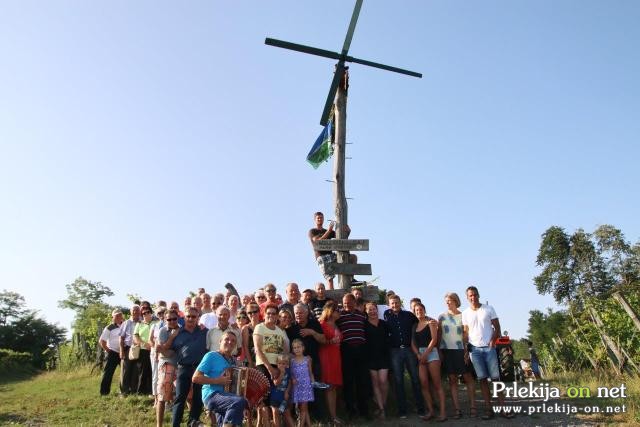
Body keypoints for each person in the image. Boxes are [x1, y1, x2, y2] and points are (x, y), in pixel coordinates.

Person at [462, 286, 513, 420]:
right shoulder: (465, 313)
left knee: (496, 379)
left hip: (489, 348)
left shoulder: (488, 309)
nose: (473, 297)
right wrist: (466, 350)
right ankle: (488, 410)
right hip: (475, 350)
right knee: (482, 380)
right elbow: (466, 333)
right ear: (467, 298)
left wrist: (493, 340)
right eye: (470, 296)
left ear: (478, 295)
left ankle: (503, 409)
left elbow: (497, 327)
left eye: (474, 295)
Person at [162, 306, 209, 427]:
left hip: (200, 368)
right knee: (180, 398)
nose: (191, 319)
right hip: (183, 368)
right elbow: (168, 349)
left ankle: (192, 422)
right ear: (184, 317)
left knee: (198, 397)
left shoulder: (205, 331)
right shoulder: (178, 332)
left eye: (194, 316)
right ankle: (175, 424)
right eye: (188, 316)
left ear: (198, 317)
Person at [192, 331, 247, 427]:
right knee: (239, 401)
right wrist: (217, 381)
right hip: (212, 394)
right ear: (220, 341)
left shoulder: (234, 361)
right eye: (227, 339)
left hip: (228, 397)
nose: (230, 342)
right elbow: (195, 378)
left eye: (233, 341)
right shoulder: (211, 356)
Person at [384, 294, 425, 419]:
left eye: (396, 302)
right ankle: (402, 410)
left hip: (409, 350)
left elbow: (420, 322)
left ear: (400, 303)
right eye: (392, 303)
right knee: (398, 381)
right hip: (395, 351)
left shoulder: (408, 315)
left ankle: (421, 408)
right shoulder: (387, 316)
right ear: (389, 304)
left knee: (415, 379)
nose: (395, 305)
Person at [438, 292, 477, 419]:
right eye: (446, 301)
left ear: (455, 301)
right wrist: (439, 350)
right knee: (452, 380)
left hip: (461, 350)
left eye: (449, 300)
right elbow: (439, 335)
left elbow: (466, 334)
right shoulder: (441, 317)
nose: (447, 303)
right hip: (447, 351)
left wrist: (466, 350)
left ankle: (473, 407)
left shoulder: (463, 315)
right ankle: (457, 409)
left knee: (468, 378)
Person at [335, 294, 369, 420]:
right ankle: (351, 411)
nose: (346, 305)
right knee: (348, 382)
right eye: (344, 303)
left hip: (361, 350)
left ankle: (364, 410)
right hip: (347, 350)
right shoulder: (340, 315)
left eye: (349, 303)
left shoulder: (362, 315)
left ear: (354, 302)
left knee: (362, 381)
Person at [412, 302, 446, 422]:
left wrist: (426, 353)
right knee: (424, 384)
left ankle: (442, 413)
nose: (418, 311)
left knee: (437, 384)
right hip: (420, 355)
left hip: (431, 353)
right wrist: (418, 354)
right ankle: (431, 411)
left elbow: (434, 339)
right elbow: (412, 343)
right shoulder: (414, 325)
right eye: (416, 310)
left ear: (424, 310)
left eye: (420, 309)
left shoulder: (430, 322)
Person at [308, 211, 354, 290]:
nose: (320, 219)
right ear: (315, 220)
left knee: (352, 258)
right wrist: (329, 231)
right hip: (321, 257)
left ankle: (351, 279)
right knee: (330, 278)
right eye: (318, 218)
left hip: (331, 255)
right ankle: (331, 295)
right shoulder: (312, 231)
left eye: (321, 218)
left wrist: (348, 231)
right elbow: (317, 241)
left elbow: (341, 237)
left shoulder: (327, 230)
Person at [318, 301, 343, 424]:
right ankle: (332, 417)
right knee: (329, 386)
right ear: (330, 312)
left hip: (336, 356)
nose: (339, 312)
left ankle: (333, 415)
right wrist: (330, 342)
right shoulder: (322, 324)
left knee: (333, 387)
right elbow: (319, 341)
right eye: (337, 310)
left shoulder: (336, 324)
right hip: (326, 357)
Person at [364, 302, 390, 419]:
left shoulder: (384, 324)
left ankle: (382, 405)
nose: (372, 312)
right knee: (375, 383)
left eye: (374, 309)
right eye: (369, 310)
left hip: (384, 356)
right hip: (370, 357)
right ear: (366, 311)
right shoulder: (364, 325)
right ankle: (382, 409)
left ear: (377, 310)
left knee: (383, 381)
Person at [156, 309, 180, 427]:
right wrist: (172, 337)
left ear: (178, 318)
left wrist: (167, 350)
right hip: (167, 363)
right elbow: (163, 350)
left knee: (189, 393)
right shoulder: (162, 331)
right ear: (165, 320)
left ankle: (192, 421)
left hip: (180, 363)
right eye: (168, 319)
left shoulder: (183, 329)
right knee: (163, 393)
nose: (171, 321)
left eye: (174, 319)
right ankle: (159, 424)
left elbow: (167, 350)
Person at [290, 339, 315, 427]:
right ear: (293, 350)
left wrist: (313, 383)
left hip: (306, 386)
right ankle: (309, 424)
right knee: (304, 408)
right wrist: (293, 378)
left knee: (303, 408)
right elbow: (291, 373)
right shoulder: (292, 361)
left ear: (303, 348)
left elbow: (310, 372)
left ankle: (300, 425)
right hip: (297, 386)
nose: (297, 349)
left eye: (299, 347)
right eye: (295, 348)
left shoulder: (307, 359)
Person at [99, 309, 124, 396]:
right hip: (112, 352)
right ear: (112, 317)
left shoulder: (124, 325)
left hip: (123, 352)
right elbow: (102, 341)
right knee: (108, 373)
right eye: (116, 316)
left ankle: (123, 391)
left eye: (120, 315)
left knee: (124, 372)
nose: (118, 317)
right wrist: (108, 350)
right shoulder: (109, 327)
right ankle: (104, 393)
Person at [133, 307, 156, 395]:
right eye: (144, 313)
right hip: (143, 350)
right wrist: (143, 344)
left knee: (152, 370)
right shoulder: (139, 324)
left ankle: (151, 392)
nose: (146, 314)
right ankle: (140, 392)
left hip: (153, 350)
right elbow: (135, 336)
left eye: (148, 312)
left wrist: (152, 345)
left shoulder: (156, 323)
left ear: (151, 313)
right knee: (142, 371)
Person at [119, 304, 141, 395]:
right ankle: (124, 391)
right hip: (128, 348)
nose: (135, 312)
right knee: (125, 370)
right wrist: (121, 351)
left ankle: (133, 390)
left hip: (139, 349)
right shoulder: (126, 323)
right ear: (130, 312)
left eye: (137, 310)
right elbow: (121, 338)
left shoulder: (142, 322)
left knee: (136, 370)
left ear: (140, 312)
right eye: (134, 310)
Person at [268, 354, 292, 427]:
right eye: (279, 363)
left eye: (283, 363)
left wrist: (287, 391)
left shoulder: (288, 371)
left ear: (287, 364)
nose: (281, 365)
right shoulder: (276, 372)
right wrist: (282, 373)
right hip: (275, 396)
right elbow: (276, 383)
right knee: (275, 413)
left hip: (284, 396)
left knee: (287, 413)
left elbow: (290, 382)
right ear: (277, 364)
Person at [241, 302, 261, 368]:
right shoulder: (245, 328)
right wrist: (251, 363)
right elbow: (246, 347)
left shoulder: (264, 326)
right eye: (249, 313)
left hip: (264, 360)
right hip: (251, 361)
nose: (252, 314)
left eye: (255, 312)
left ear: (259, 312)